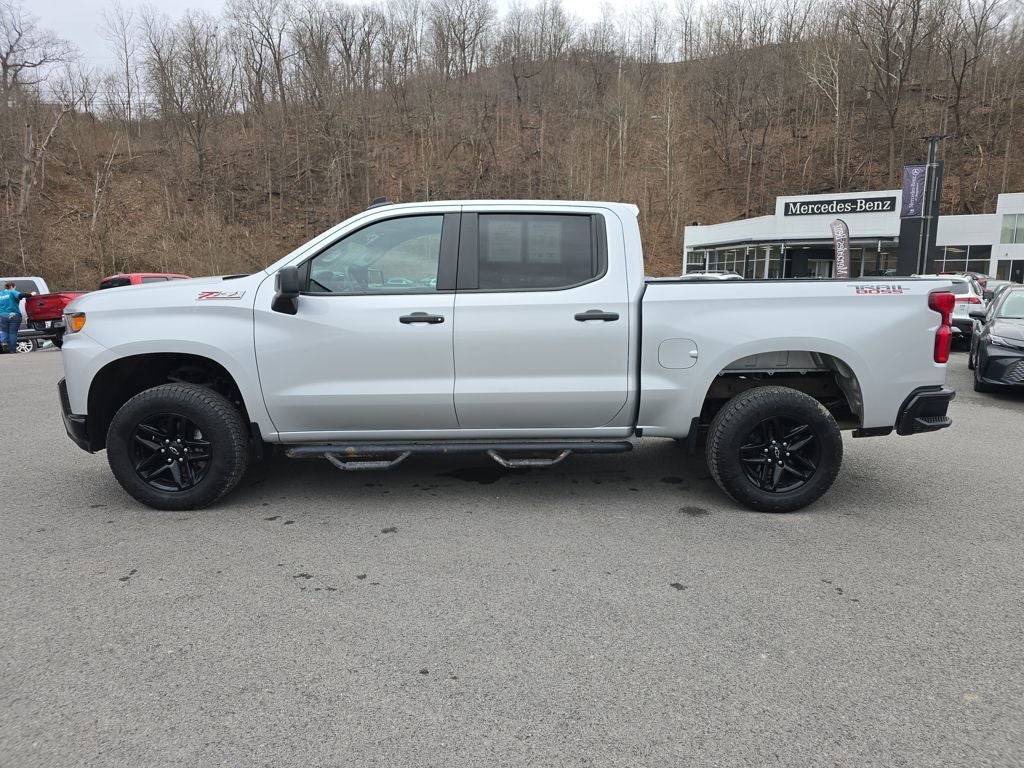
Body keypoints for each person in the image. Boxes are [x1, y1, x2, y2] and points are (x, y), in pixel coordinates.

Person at [0, 281, 37, 354]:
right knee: (12, 333)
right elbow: (21, 295)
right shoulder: (12, 292)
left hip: (2, 316)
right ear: (12, 287)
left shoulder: (0, 294)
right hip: (14, 315)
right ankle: (12, 350)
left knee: (4, 332)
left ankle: (4, 344)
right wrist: (31, 294)